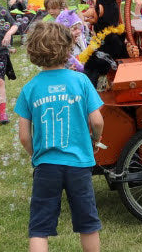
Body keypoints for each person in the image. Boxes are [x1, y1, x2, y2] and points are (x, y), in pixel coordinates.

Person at [15, 22, 104, 252]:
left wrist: (36, 156)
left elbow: (24, 136)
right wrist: (96, 139)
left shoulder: (29, 88)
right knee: (88, 224)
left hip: (46, 166)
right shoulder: (81, 81)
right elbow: (97, 121)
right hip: (79, 164)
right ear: (67, 50)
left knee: (39, 228)